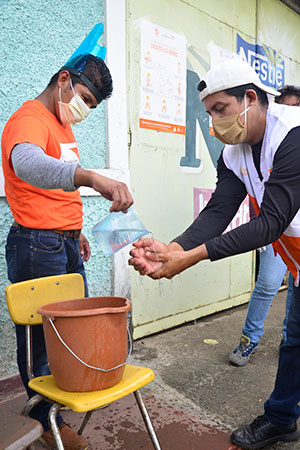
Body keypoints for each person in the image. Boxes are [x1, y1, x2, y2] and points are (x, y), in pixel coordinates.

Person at [129, 59, 300, 449]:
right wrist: (174, 248)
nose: (214, 122)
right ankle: (281, 418)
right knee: (295, 341)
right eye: (208, 113)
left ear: (250, 98)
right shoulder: (235, 153)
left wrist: (192, 258)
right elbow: (220, 210)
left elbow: (270, 222)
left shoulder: (292, 134)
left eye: (220, 109)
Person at [1, 27, 133, 450]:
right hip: (36, 246)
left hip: (62, 244)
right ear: (63, 80)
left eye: (92, 106)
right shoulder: (29, 119)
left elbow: (58, 186)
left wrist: (75, 231)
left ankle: (55, 412)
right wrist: (94, 177)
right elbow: (28, 166)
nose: (84, 111)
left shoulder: (61, 124)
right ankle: (43, 421)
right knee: (44, 345)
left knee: (69, 336)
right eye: (85, 100)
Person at [229, 84, 300, 366]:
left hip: (295, 238)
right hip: (275, 234)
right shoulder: (254, 148)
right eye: (285, 109)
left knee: (294, 302)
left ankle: (289, 340)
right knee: (267, 285)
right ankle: (250, 339)